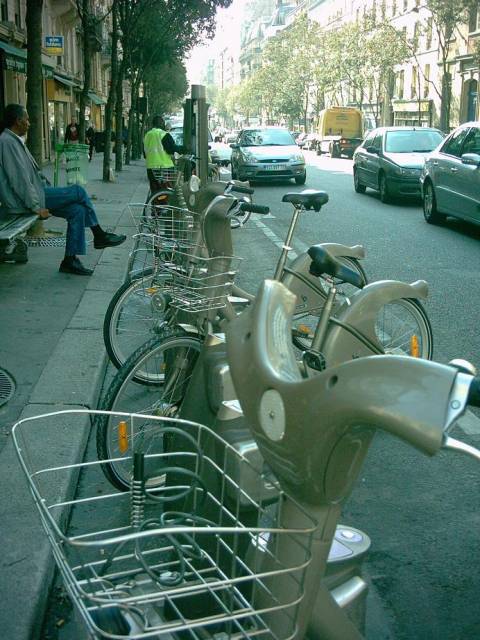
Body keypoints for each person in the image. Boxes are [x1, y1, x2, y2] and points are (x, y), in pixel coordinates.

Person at [0, 104, 126, 275]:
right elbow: (19, 180)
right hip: (27, 201)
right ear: (18, 121)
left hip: (38, 193)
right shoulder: (7, 141)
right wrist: (36, 207)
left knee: (77, 210)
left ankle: (70, 260)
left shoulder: (13, 140)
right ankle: (99, 235)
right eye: (27, 120)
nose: (29, 123)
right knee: (78, 191)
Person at [143, 115, 184, 193]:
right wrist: (184, 149)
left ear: (153, 124)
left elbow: (145, 153)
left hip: (150, 167)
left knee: (154, 190)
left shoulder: (147, 135)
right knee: (166, 188)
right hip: (164, 167)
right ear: (162, 124)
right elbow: (171, 149)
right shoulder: (164, 135)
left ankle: (155, 200)